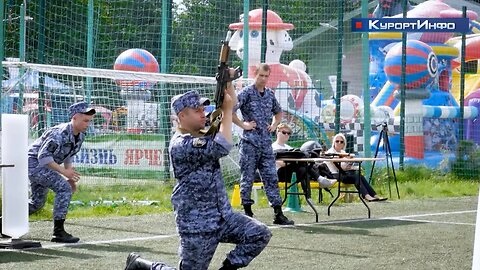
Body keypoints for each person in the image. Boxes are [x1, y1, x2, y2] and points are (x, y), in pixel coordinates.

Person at [125, 75, 272, 270]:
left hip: (223, 217)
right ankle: (142, 266)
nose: (203, 114)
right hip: (197, 224)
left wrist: (227, 82)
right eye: (197, 111)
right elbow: (222, 147)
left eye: (203, 109)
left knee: (260, 233)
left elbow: (232, 105)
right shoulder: (181, 144)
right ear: (182, 116)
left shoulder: (205, 133)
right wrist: (226, 112)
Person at [232, 63, 294, 225]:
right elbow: (230, 110)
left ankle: (278, 213)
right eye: (261, 76)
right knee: (248, 177)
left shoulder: (269, 94)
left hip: (266, 143)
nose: (264, 79)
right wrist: (243, 125)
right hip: (249, 143)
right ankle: (247, 213)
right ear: (255, 75)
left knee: (271, 177)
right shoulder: (246, 92)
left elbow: (278, 112)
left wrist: (274, 125)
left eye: (266, 76)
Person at [27, 101, 96, 243]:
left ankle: (4, 223)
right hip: (34, 164)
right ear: (74, 118)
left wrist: (69, 173)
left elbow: (68, 153)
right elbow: (43, 156)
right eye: (85, 120)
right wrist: (64, 173)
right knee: (64, 189)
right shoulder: (59, 133)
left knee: (37, 203)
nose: (87, 124)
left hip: (44, 166)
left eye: (89, 121)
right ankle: (58, 232)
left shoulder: (80, 135)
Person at [272, 123, 337, 191]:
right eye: (284, 132)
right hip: (279, 174)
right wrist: (295, 161)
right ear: (277, 132)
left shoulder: (289, 148)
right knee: (303, 167)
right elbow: (281, 163)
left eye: (288, 133)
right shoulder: (273, 147)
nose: (286, 135)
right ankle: (320, 179)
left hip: (292, 172)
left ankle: (310, 194)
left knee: (304, 168)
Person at [324, 133, 387, 202]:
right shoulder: (330, 152)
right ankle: (366, 196)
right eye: (337, 141)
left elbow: (345, 167)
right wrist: (348, 160)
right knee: (357, 175)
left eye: (341, 142)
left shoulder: (343, 152)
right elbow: (340, 165)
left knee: (359, 175)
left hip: (342, 173)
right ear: (334, 142)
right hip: (333, 175)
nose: (339, 143)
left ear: (344, 144)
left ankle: (373, 195)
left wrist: (353, 165)